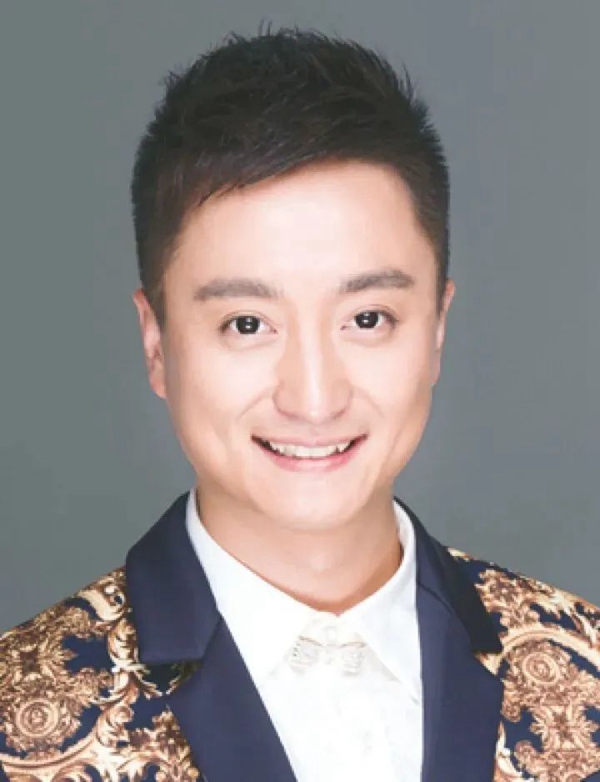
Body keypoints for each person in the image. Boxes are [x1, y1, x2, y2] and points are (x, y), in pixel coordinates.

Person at [0, 27, 598, 782]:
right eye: (247, 324)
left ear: (437, 329)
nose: (314, 399)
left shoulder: (585, 673)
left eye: (368, 319)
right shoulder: (18, 721)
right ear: (157, 343)